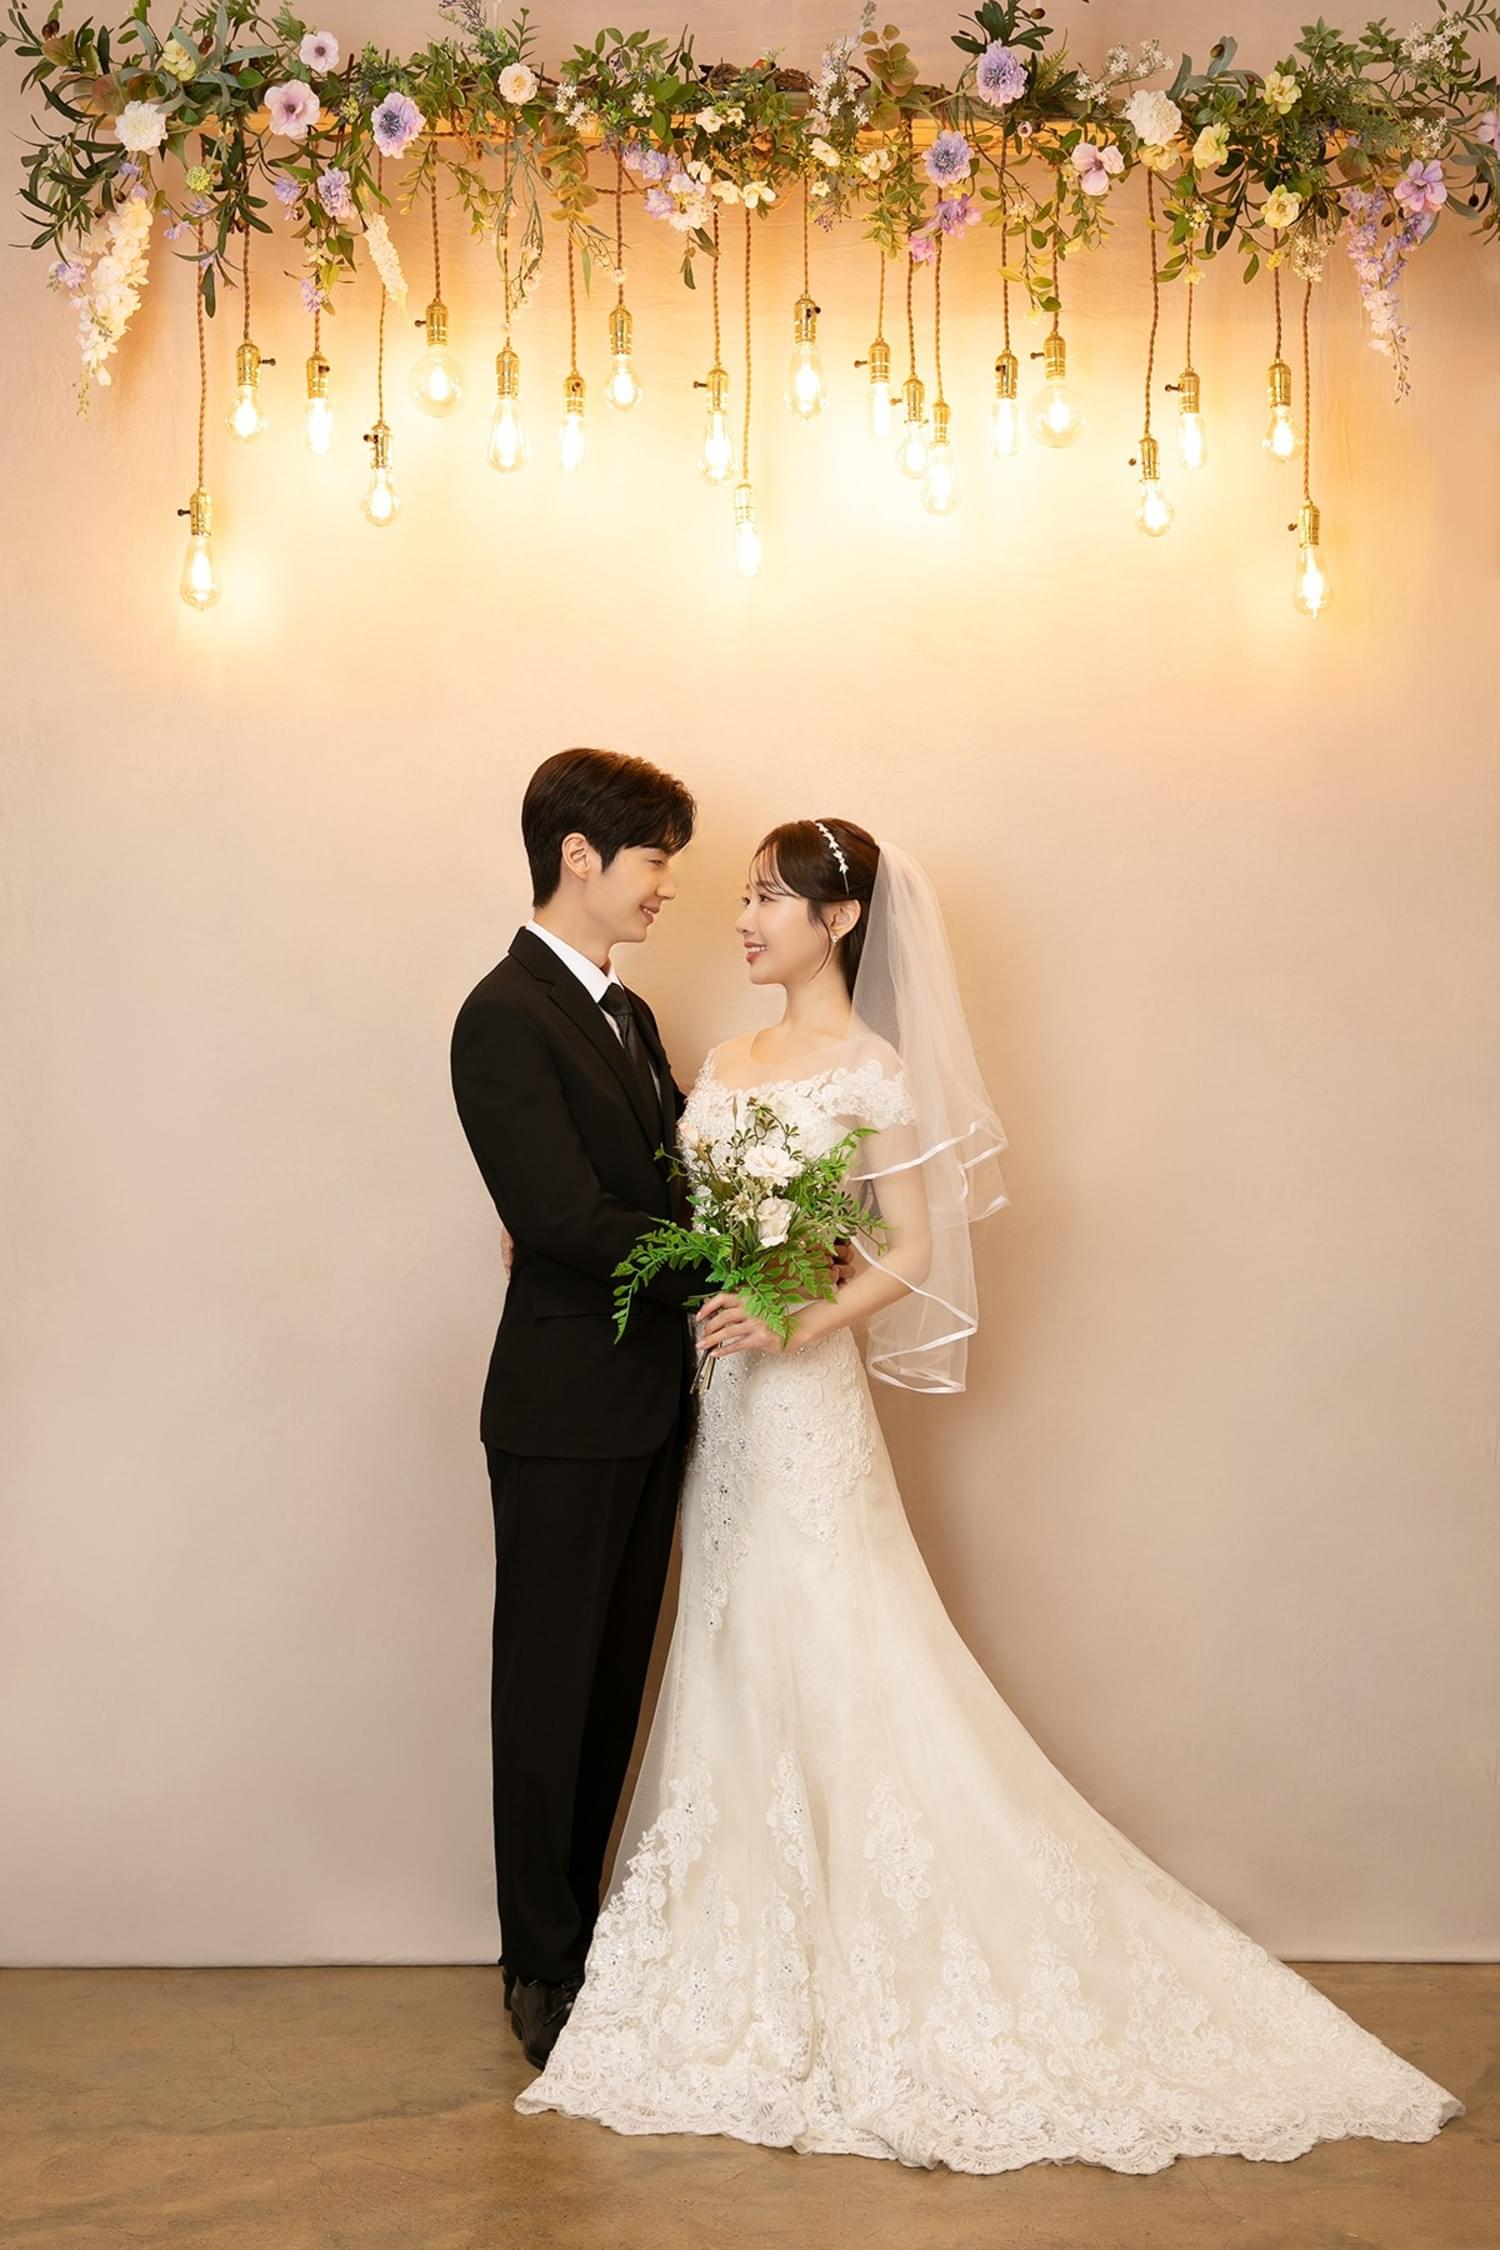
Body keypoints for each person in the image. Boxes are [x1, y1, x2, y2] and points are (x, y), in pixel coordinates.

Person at [512, 816, 1466, 2175]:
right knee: (730, 1643)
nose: (744, 916)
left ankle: (870, 1937)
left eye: (772, 897)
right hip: (714, 1410)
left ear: (840, 920)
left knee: (833, 1636)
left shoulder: (874, 1069)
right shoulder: (715, 1061)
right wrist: (578, 1242)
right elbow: (657, 1210)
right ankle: (749, 1926)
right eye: (744, 895)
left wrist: (796, 1315)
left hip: (800, 1397)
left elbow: (910, 1244)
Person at [449, 746, 710, 2072]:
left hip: (652, 1401)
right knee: (547, 1691)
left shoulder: (632, 1015)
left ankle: (588, 1941)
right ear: (579, 856)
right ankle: (539, 1967)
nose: (667, 884)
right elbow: (559, 1218)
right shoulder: (502, 1015)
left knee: (613, 1686)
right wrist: (730, 1257)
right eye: (655, 857)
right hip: (560, 1407)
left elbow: (659, 1181)